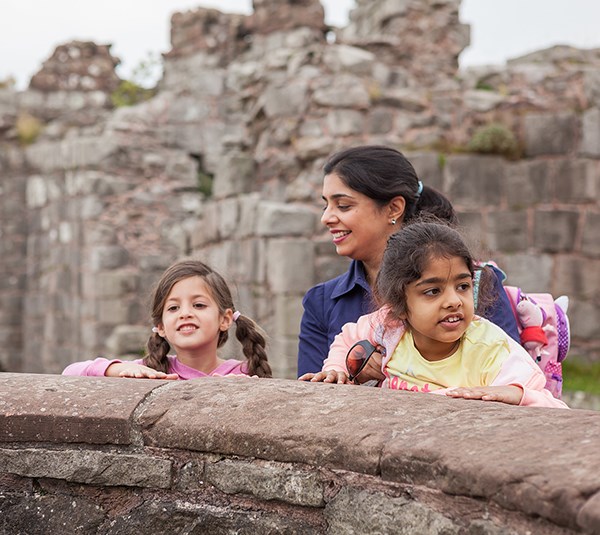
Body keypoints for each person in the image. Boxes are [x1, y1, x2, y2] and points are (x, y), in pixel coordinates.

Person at [297, 145, 519, 378]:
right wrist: (354, 371)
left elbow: (512, 376)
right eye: (326, 205)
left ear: (394, 208)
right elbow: (313, 390)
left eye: (343, 205)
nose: (326, 218)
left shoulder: (477, 283)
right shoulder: (322, 302)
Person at [300, 220, 568, 408]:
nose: (453, 301)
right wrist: (337, 369)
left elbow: (552, 408)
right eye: (433, 291)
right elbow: (347, 338)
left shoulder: (492, 349)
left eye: (462, 286)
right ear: (399, 304)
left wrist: (516, 394)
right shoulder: (389, 327)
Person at [63, 260, 272, 379]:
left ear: (224, 319)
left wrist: (243, 392)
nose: (185, 313)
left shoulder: (243, 374)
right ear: (161, 326)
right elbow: (70, 373)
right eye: (173, 308)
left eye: (199, 305)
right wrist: (117, 369)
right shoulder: (150, 372)